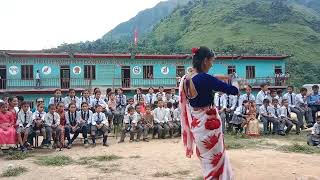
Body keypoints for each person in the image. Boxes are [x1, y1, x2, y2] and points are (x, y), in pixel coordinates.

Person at [180, 47, 238, 179]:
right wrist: (234, 79)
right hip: (209, 124)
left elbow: (204, 80)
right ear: (205, 60)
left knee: (207, 160)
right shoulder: (205, 79)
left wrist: (216, 78)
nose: (212, 65)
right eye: (211, 61)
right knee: (216, 159)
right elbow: (233, 90)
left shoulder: (186, 79)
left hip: (197, 124)